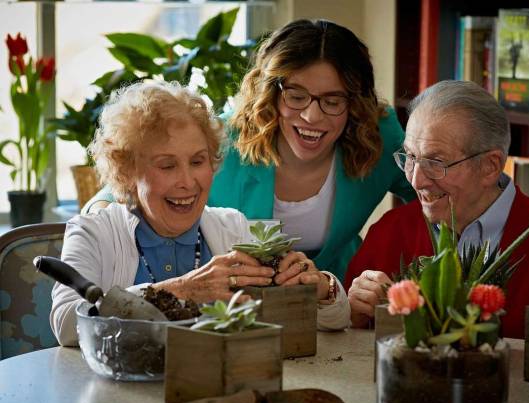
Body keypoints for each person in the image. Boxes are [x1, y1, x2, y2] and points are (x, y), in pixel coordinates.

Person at [84, 19, 416, 283]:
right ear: (271, 93)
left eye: (332, 101)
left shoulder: (376, 133)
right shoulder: (221, 137)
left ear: (355, 105)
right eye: (296, 96)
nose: (312, 117)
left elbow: (430, 190)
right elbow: (120, 191)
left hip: (334, 303)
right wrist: (97, 230)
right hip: (236, 305)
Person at [51, 81, 350, 347]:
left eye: (198, 161)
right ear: (127, 171)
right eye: (167, 166)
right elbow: (66, 324)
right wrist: (178, 291)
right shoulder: (93, 232)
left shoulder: (233, 227)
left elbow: (331, 321)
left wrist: (321, 288)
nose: (188, 181)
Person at [345, 80, 529, 339]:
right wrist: (355, 314)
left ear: (490, 166)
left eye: (436, 161)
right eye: (410, 158)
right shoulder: (391, 230)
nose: (416, 180)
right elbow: (352, 335)